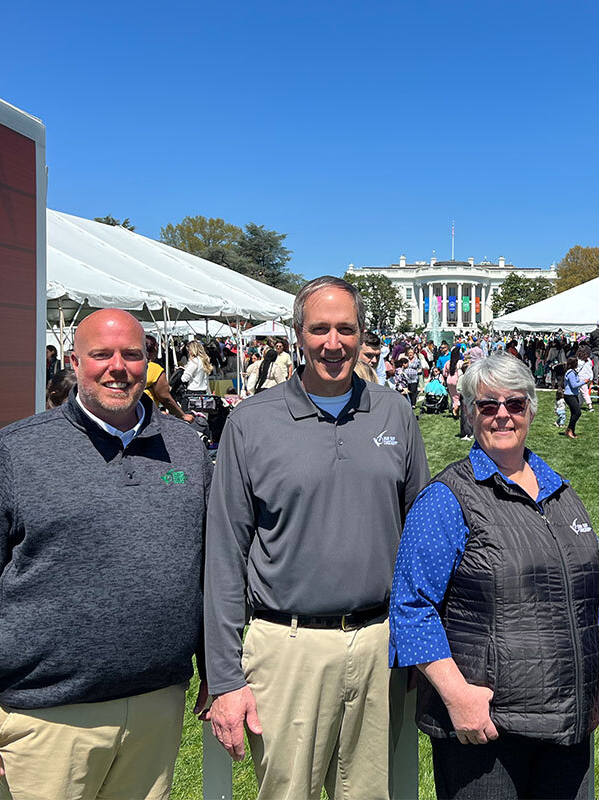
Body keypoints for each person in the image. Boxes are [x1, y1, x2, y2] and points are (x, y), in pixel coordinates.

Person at [0, 309, 210, 800]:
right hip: (46, 720)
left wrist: (216, 669)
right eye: (101, 354)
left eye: (132, 354)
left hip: (156, 708)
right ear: (75, 362)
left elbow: (210, 571)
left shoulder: (185, 449)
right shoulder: (15, 453)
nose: (117, 367)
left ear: (150, 363)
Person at [204, 276, 430, 800]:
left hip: (379, 645)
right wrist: (223, 677)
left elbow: (420, 536)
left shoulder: (394, 411)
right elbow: (224, 555)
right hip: (287, 647)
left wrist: (420, 643)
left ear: (362, 334)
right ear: (297, 336)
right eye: (320, 329)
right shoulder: (251, 422)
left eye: (346, 329)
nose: (333, 343)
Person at [389, 353, 599, 799]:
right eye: (488, 405)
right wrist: (457, 697)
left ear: (531, 411)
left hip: (566, 723)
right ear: (469, 413)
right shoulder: (448, 497)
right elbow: (410, 607)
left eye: (516, 404)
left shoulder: (560, 491)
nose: (502, 414)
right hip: (486, 729)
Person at [144, 334, 193, 421]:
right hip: (147, 416)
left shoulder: (128, 366)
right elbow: (165, 398)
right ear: (155, 348)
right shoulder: (155, 369)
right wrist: (183, 415)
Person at [562, 356, 583, 439]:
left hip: (573, 394)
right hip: (569, 395)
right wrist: (583, 382)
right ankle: (569, 429)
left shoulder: (573, 372)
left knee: (574, 413)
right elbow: (574, 385)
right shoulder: (570, 373)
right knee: (578, 412)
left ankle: (572, 431)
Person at [577, 345, 595, 411]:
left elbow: (577, 369)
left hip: (582, 378)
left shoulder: (579, 361)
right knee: (582, 391)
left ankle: (590, 405)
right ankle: (579, 404)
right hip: (589, 377)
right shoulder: (589, 360)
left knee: (584, 392)